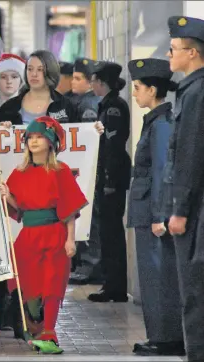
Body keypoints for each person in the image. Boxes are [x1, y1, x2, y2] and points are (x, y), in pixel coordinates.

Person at [0, 116, 87, 354]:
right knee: (29, 287)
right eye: (31, 137)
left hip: (54, 235)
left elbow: (69, 208)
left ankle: (50, 334)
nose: (34, 141)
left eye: (40, 137)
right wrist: (7, 196)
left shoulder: (61, 171)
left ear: (51, 143)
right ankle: (37, 328)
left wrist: (70, 239)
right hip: (28, 237)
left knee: (52, 285)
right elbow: (18, 209)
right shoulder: (19, 173)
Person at [126, 57, 185, 356]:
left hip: (153, 212)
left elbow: (164, 172)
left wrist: (160, 215)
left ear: (152, 90)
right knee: (152, 277)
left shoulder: (161, 125)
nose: (134, 93)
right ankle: (161, 336)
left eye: (137, 88)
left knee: (159, 277)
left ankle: (165, 338)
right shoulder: (155, 121)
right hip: (146, 209)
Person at [165, 15, 204, 362]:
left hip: (196, 212)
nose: (169, 55)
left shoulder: (195, 93)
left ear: (192, 54)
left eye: (174, 49)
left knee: (194, 290)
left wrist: (179, 209)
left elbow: (190, 155)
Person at [87, 61, 131, 303]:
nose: (91, 85)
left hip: (111, 179)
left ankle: (114, 287)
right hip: (108, 178)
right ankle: (112, 285)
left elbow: (113, 148)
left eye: (93, 81)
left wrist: (108, 181)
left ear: (101, 83)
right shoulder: (109, 104)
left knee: (111, 233)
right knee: (107, 233)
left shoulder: (113, 107)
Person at [68, 57, 103, 285]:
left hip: (91, 171)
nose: (73, 82)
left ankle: (90, 266)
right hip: (88, 170)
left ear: (90, 83)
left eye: (78, 78)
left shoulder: (88, 105)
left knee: (91, 219)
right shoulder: (83, 101)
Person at [0, 50, 78, 125]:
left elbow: (78, 135)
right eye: (30, 69)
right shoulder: (8, 108)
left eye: (40, 69)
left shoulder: (66, 106)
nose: (34, 74)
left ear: (51, 71)